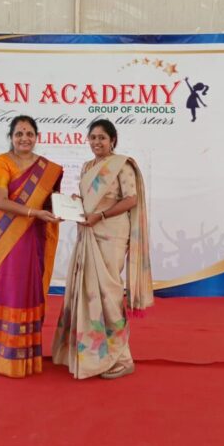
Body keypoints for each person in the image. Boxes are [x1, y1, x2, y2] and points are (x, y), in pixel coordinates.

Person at [52, 119, 153, 379]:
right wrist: (75, 204)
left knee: (109, 292)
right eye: (93, 137)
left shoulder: (122, 165)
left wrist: (102, 215)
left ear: (112, 141)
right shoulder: (88, 166)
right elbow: (89, 200)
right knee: (87, 292)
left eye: (102, 138)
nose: (97, 142)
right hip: (89, 232)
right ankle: (91, 354)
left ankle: (123, 358)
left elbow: (131, 199)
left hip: (111, 233)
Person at [0, 115, 63, 378]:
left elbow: (50, 203)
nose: (24, 138)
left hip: (31, 237)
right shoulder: (1, 162)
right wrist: (33, 213)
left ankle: (25, 354)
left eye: (29, 133)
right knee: (7, 289)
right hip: (3, 237)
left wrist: (65, 207)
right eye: (19, 134)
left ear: (37, 137)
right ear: (11, 137)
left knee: (27, 289)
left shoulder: (46, 168)